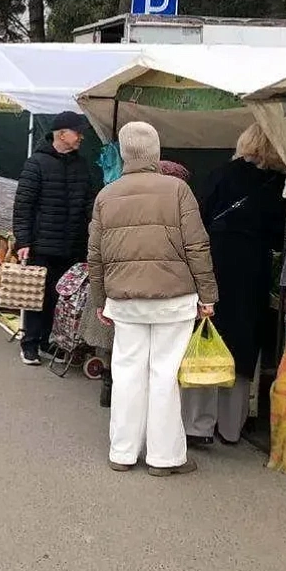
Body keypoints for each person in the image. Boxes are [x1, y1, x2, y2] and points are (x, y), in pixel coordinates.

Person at [89, 122, 217, 477]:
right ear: (156, 153)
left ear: (124, 153)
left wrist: (100, 299)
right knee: (165, 375)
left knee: (127, 371)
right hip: (174, 299)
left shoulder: (107, 195)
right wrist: (208, 295)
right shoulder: (178, 190)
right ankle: (165, 458)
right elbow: (197, 246)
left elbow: (95, 254)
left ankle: (123, 452)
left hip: (125, 299)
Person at [182, 123, 286, 446]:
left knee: (207, 336)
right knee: (242, 345)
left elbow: (200, 216)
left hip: (215, 263)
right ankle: (230, 428)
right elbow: (278, 235)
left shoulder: (220, 174)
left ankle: (198, 424)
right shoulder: (277, 185)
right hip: (252, 269)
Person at [12, 111, 98, 365]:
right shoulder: (36, 163)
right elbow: (23, 205)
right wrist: (23, 241)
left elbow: (90, 202)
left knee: (60, 297)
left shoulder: (81, 165)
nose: (81, 136)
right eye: (77, 131)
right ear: (62, 134)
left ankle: (47, 342)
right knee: (37, 295)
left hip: (72, 245)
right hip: (42, 245)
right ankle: (29, 344)